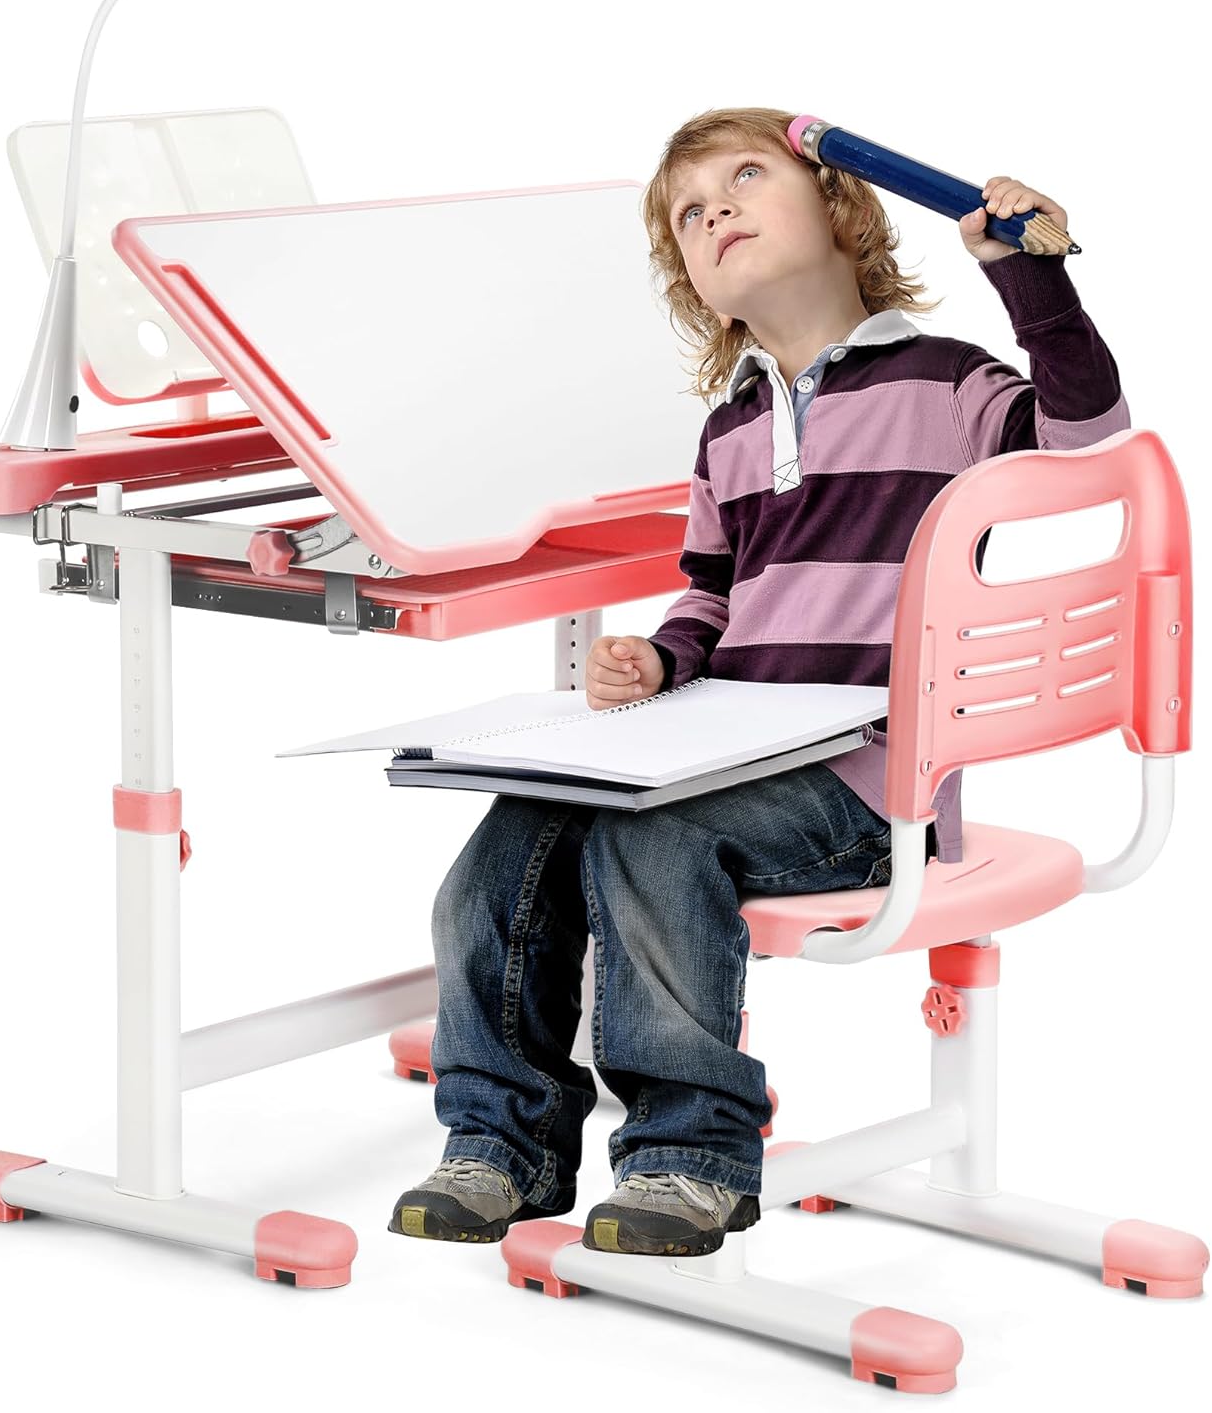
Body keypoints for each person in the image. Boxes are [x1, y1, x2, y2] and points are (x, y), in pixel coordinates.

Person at [388, 106, 1130, 1257]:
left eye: (743, 178)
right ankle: (503, 1143)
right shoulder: (727, 431)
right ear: (693, 281)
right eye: (689, 213)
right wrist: (661, 656)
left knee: (652, 841)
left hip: (871, 788)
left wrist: (1028, 279)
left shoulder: (943, 384)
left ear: (839, 210)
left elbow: (1087, 441)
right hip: (722, 754)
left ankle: (689, 1159)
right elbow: (712, 596)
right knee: (506, 846)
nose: (715, 210)